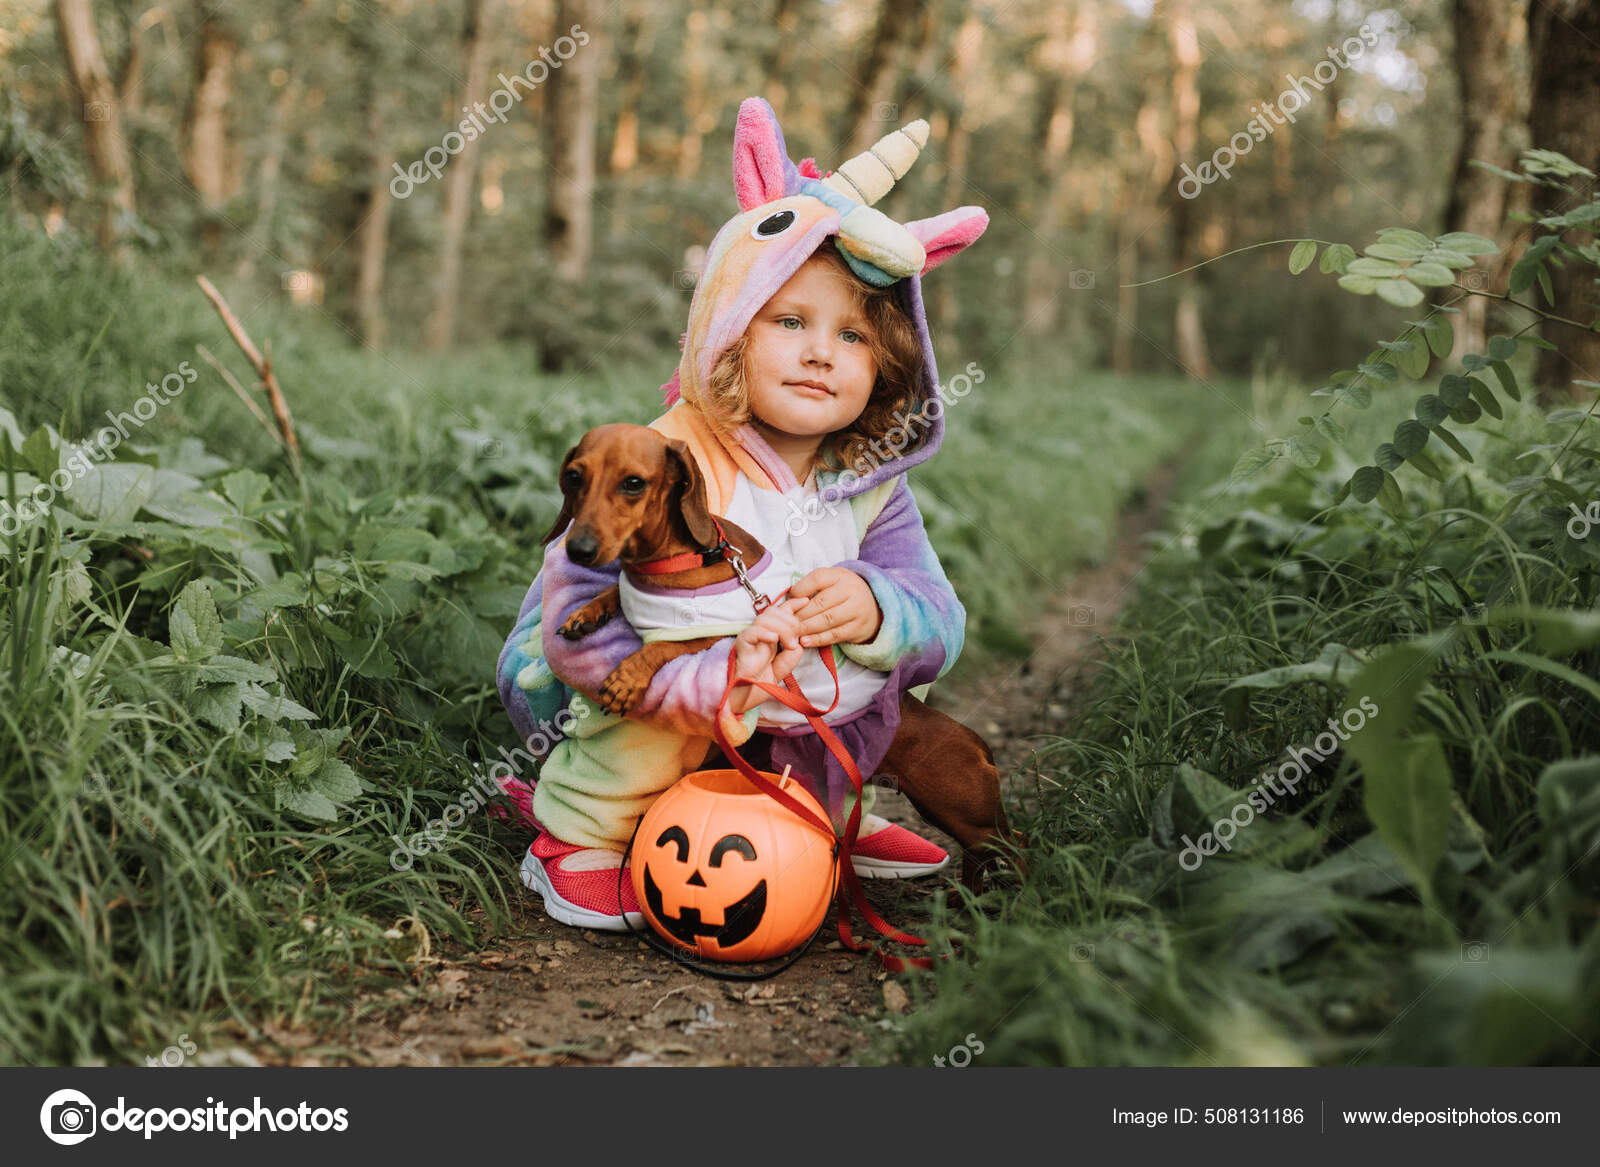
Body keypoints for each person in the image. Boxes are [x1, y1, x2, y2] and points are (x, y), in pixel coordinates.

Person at [495, 96, 989, 930]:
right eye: (789, 320)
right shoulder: (666, 455)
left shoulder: (871, 482)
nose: (819, 351)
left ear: (891, 362)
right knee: (660, 714)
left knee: (867, 692)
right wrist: (705, 676)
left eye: (854, 336)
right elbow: (573, 619)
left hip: (766, 705)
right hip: (628, 688)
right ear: (727, 327)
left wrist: (877, 606)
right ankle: (579, 833)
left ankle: (813, 819)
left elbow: (940, 615)